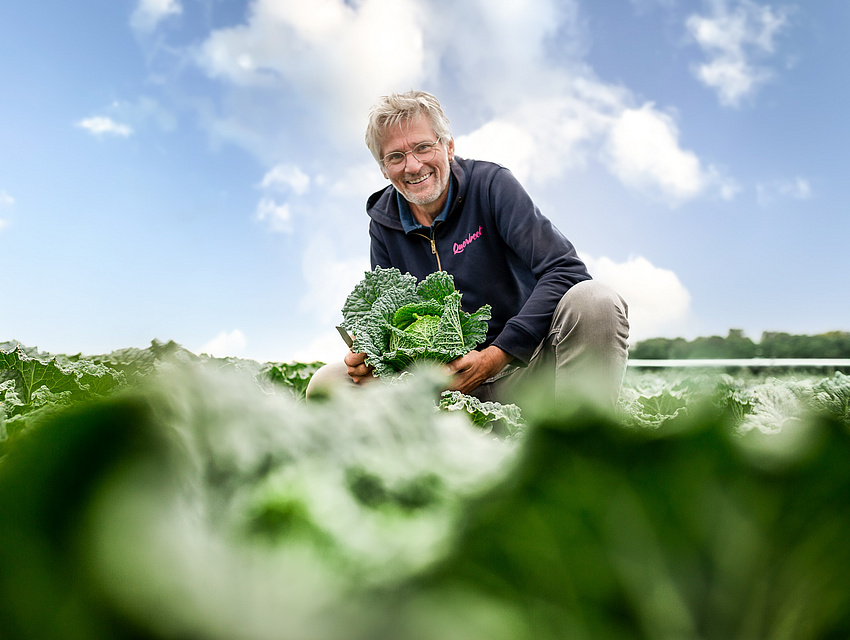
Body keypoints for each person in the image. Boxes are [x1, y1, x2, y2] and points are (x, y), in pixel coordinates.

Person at [307, 90, 629, 408]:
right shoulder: (383, 223)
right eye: (395, 156)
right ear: (383, 168)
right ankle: (440, 441)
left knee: (596, 301)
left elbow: (565, 270)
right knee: (327, 383)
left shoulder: (492, 186)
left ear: (448, 147)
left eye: (422, 147)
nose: (413, 165)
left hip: (523, 371)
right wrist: (374, 362)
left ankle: (577, 446)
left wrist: (497, 355)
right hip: (439, 389)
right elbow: (385, 319)